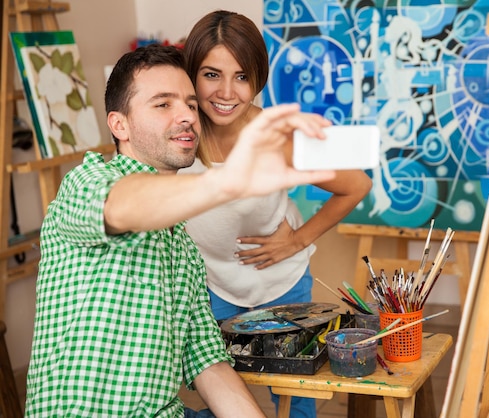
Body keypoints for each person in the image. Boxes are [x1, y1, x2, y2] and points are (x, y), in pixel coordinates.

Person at [24, 44, 336, 418]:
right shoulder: (87, 182)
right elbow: (123, 204)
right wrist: (229, 182)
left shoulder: (184, 250)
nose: (186, 115)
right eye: (163, 104)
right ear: (118, 124)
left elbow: (210, 365)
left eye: (190, 104)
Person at [182, 11, 373, 418]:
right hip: (212, 287)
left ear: (258, 80)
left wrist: (300, 238)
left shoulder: (278, 135)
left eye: (242, 77)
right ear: (191, 75)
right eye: (211, 75)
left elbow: (357, 184)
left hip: (282, 285)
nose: (227, 92)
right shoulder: (180, 132)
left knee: (295, 400)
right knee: (223, 395)